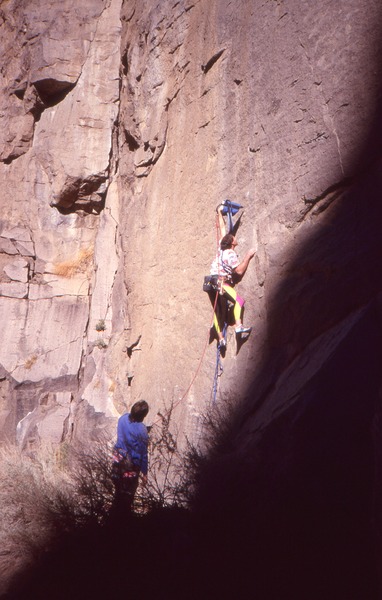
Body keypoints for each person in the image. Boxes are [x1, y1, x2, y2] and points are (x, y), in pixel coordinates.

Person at [210, 205, 256, 347]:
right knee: (239, 301)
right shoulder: (230, 254)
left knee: (217, 312)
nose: (235, 237)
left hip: (210, 283)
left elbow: (224, 231)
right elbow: (239, 271)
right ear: (231, 243)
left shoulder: (221, 248)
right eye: (233, 237)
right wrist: (248, 256)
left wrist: (219, 213)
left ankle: (221, 339)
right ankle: (238, 327)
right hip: (220, 283)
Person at [112, 400, 149, 512]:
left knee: (118, 490)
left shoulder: (122, 418)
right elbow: (143, 453)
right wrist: (145, 473)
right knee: (127, 496)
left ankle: (114, 515)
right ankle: (124, 520)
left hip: (118, 459)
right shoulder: (142, 430)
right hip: (131, 465)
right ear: (142, 417)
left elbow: (128, 432)